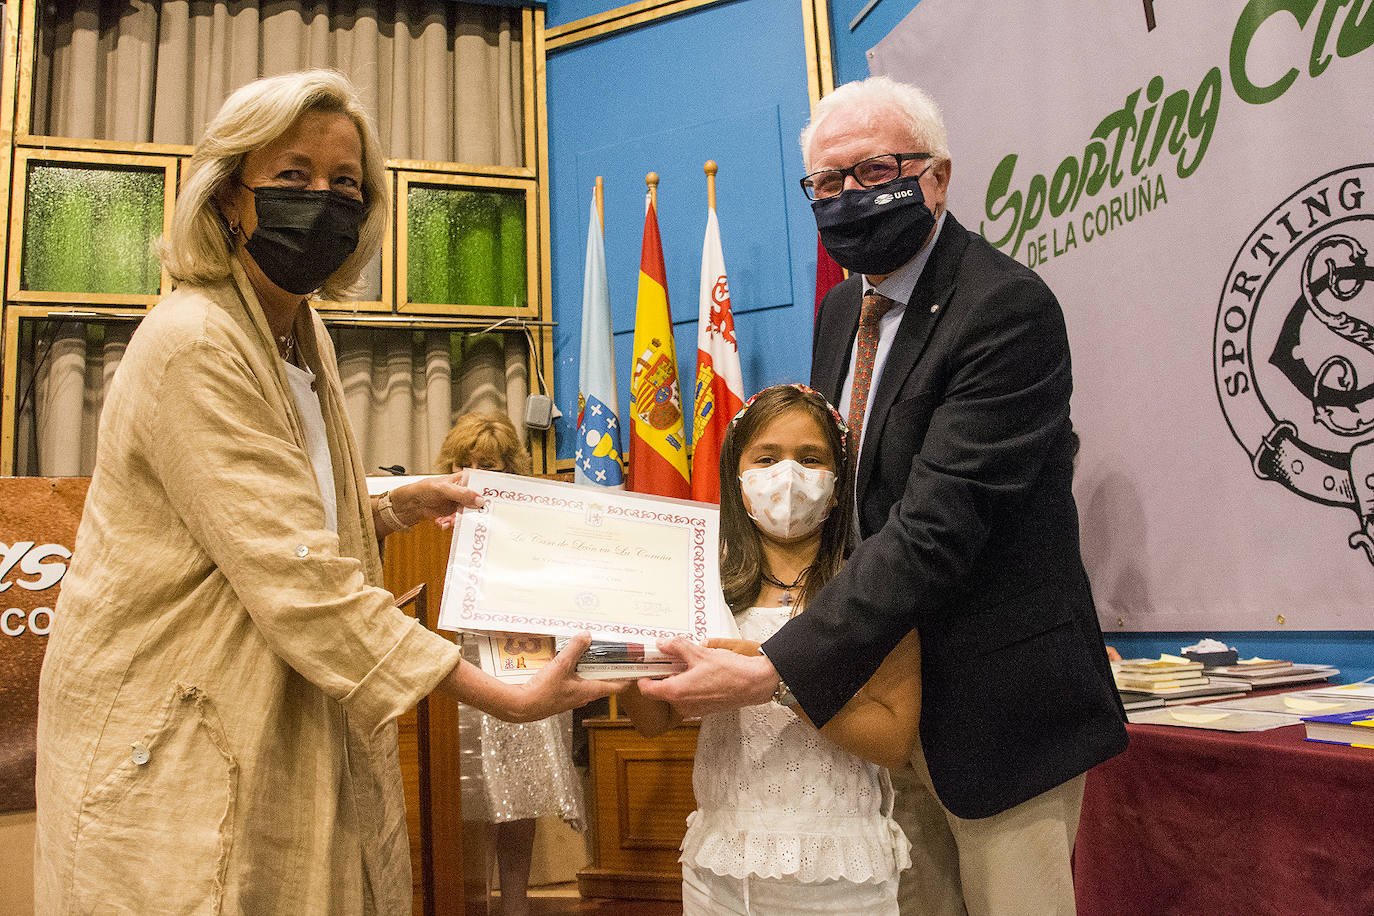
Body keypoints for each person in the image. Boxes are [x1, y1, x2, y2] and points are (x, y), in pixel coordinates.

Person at [33, 70, 619, 916]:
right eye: (292, 177)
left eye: (345, 183)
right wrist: (502, 694)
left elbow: (277, 505)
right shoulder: (196, 339)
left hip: (273, 695)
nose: (324, 200)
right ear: (231, 196)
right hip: (173, 719)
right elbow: (296, 572)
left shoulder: (299, 331)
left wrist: (393, 504)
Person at [640, 76, 1127, 915]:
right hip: (874, 712)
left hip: (1000, 710)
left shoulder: (1005, 309)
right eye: (825, 183)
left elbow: (935, 528)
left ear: (934, 177)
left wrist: (775, 666)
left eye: (871, 171)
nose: (846, 197)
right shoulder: (840, 313)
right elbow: (842, 506)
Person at [622, 384, 921, 914]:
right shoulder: (700, 584)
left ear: (837, 482)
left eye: (811, 458)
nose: (788, 475)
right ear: (738, 478)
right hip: (722, 872)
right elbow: (651, 719)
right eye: (767, 457)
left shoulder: (872, 586)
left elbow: (894, 741)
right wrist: (627, 645)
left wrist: (773, 681)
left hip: (842, 870)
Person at [435, 411, 582, 916]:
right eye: (466, 463)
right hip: (455, 660)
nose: (477, 472)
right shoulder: (428, 521)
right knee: (459, 786)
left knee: (518, 789)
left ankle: (516, 903)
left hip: (519, 656)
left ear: (511, 469)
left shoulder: (536, 522)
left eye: (490, 465)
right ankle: (462, 900)